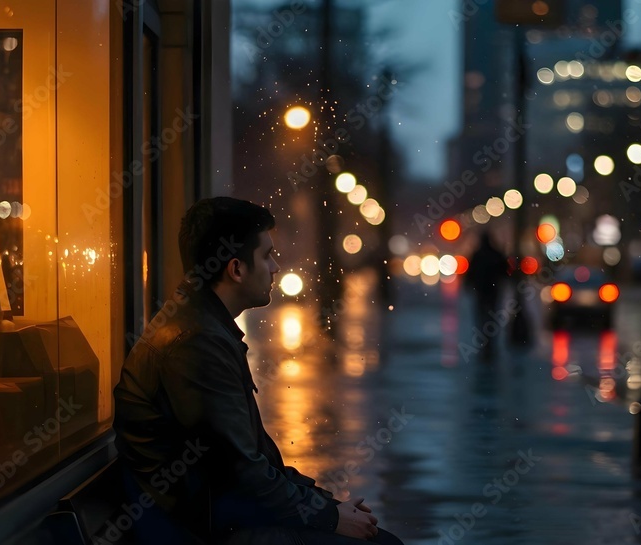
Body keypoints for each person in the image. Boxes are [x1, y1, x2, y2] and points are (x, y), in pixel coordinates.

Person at [113, 197, 404, 544]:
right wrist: (328, 516)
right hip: (207, 530)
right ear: (236, 269)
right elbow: (242, 473)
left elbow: (253, 462)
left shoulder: (202, 327)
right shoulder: (196, 343)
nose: (275, 267)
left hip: (219, 516)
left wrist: (329, 506)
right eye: (266, 255)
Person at [465, 230, 510, 360]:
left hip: (481, 291)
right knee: (492, 318)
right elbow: (505, 272)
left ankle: (484, 344)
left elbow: (470, 274)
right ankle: (490, 344)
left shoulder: (477, 255)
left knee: (481, 318)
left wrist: (470, 285)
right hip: (492, 291)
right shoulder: (495, 254)